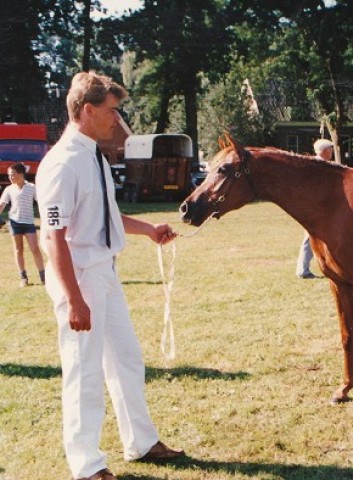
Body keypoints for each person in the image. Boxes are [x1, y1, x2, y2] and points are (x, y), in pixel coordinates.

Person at [36, 71, 184, 480]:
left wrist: (149, 230)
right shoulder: (62, 163)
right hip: (79, 278)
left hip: (104, 272)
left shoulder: (93, 155)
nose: (117, 121)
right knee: (84, 372)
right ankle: (86, 466)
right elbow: (53, 236)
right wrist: (75, 299)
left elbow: (103, 214)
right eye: (111, 111)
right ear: (87, 110)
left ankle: (141, 441)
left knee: (126, 360)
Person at [0, 162, 46, 287]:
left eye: (12, 174)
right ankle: (23, 278)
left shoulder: (32, 187)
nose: (10, 177)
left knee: (35, 249)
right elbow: (2, 204)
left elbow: (41, 203)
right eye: (9, 175)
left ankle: (43, 277)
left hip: (29, 223)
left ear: (20, 174)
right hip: (15, 223)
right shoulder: (9, 189)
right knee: (18, 250)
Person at [296, 138, 333, 279]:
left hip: (320, 208)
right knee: (309, 238)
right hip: (318, 208)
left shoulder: (317, 164)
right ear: (324, 151)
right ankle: (302, 270)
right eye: (329, 149)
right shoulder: (319, 166)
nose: (331, 152)